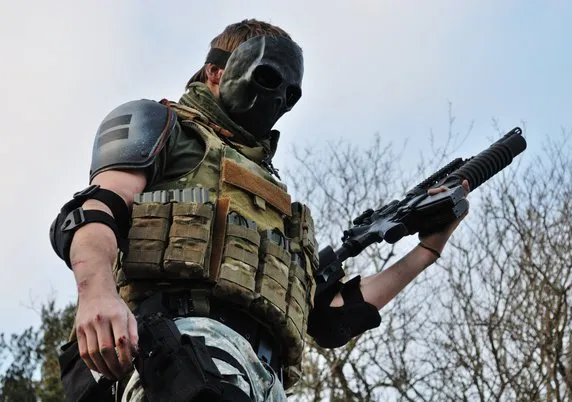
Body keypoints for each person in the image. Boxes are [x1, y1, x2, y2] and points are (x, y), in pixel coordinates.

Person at [50, 19, 470, 402]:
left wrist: (427, 250)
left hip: (265, 382)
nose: (276, 97)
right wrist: (97, 293)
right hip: (178, 351)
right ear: (215, 72)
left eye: (289, 92)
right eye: (265, 76)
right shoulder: (164, 126)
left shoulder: (279, 204)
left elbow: (329, 318)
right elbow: (96, 210)